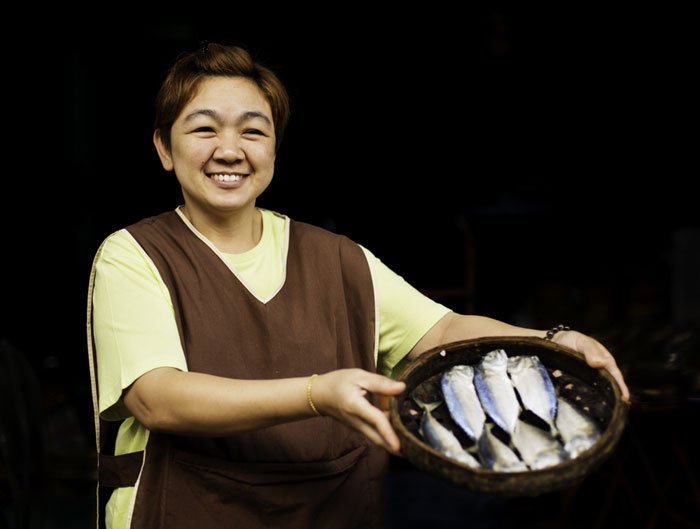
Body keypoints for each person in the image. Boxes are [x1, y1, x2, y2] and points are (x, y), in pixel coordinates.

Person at [86, 42, 630, 529]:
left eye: (253, 130)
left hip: (331, 509)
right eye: (204, 129)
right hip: (188, 510)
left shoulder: (336, 257)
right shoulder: (134, 255)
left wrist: (549, 340)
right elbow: (156, 398)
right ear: (163, 147)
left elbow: (441, 329)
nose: (230, 150)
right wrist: (315, 393)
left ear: (274, 149)